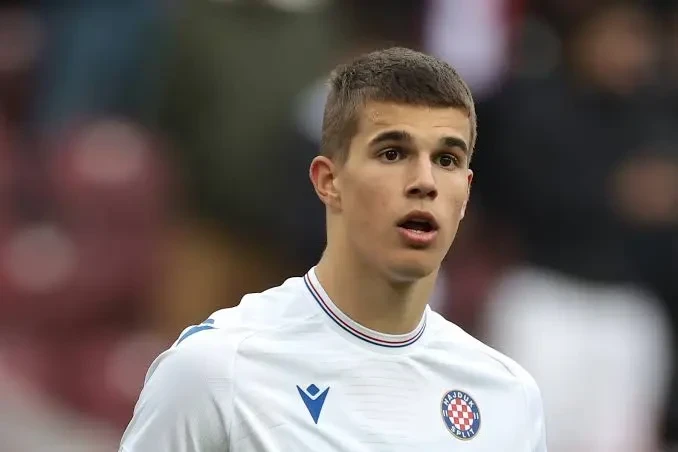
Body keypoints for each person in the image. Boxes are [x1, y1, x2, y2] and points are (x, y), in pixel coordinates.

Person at [119, 47, 547, 451]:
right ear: (329, 181)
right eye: (393, 153)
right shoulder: (216, 369)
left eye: (447, 159)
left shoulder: (507, 396)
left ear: (466, 192)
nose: (425, 181)